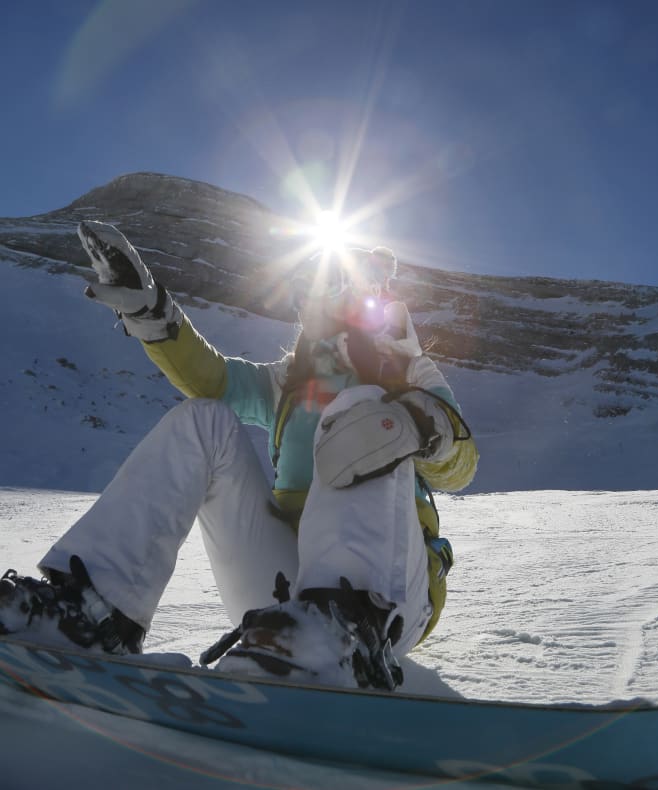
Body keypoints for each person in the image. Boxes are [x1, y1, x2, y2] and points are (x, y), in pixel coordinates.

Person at [0, 220, 478, 690]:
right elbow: (216, 381)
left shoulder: (410, 373)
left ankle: (344, 639)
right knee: (204, 420)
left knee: (363, 408)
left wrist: (417, 419)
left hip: (389, 596)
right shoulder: (291, 382)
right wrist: (152, 313)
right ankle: (92, 614)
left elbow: (461, 466)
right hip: (284, 594)